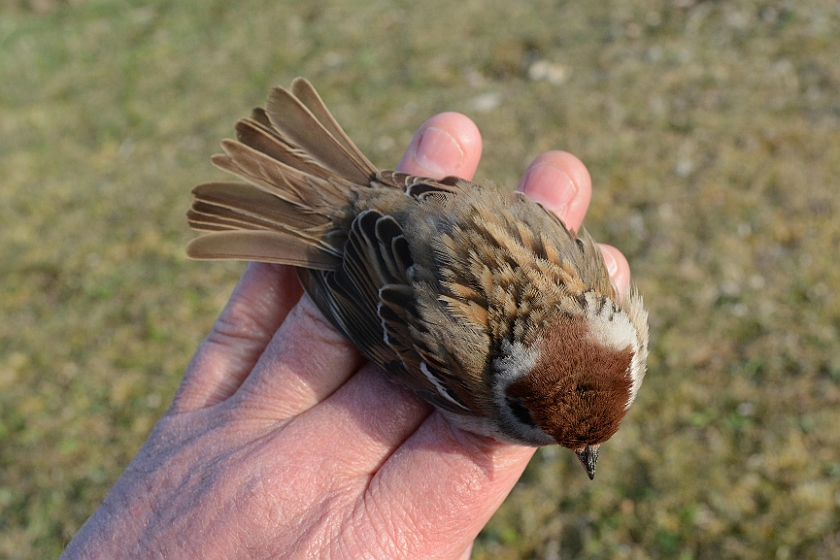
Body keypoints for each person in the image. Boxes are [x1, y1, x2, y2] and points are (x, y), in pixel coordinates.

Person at [60, 112, 633, 559]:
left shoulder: (588, 281)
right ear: (511, 394)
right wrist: (328, 264)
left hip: (421, 205)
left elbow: (474, 206)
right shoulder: (475, 379)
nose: (583, 452)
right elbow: (384, 325)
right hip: (371, 264)